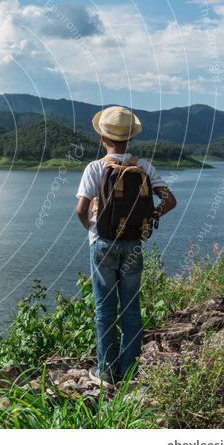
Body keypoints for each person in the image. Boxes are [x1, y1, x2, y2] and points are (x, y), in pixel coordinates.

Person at [75, 106, 177, 387]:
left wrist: (92, 229)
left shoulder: (95, 168)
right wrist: (149, 219)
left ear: (101, 136)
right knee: (131, 309)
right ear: (129, 137)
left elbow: (80, 210)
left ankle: (106, 372)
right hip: (133, 244)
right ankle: (130, 371)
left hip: (102, 243)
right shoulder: (144, 168)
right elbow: (170, 201)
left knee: (104, 308)